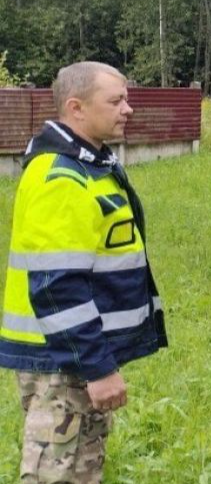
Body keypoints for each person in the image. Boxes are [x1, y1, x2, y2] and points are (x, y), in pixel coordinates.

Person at [0, 62, 167, 483]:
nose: (127, 109)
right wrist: (97, 367)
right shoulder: (61, 176)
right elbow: (58, 286)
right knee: (55, 473)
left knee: (81, 471)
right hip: (62, 358)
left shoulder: (91, 164)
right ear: (76, 107)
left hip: (76, 353)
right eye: (115, 101)